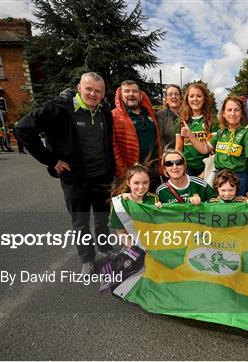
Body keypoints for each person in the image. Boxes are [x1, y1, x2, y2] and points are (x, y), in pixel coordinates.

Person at [15, 72, 117, 275]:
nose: (93, 94)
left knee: (102, 219)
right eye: (88, 89)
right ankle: (87, 259)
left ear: (103, 94)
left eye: (98, 91)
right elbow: (22, 128)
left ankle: (105, 249)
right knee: (80, 223)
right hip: (75, 180)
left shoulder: (104, 111)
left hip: (102, 177)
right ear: (79, 87)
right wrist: (51, 161)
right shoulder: (59, 109)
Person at [180, 96, 248, 198]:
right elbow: (204, 149)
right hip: (219, 178)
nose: (233, 113)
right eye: (229, 110)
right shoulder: (220, 133)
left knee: (237, 210)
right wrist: (190, 135)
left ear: (242, 114)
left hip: (239, 179)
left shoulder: (246, 133)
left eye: (237, 110)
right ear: (224, 114)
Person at [112, 80, 162, 182]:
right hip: (131, 174)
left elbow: (157, 140)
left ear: (140, 95)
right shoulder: (114, 116)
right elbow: (114, 146)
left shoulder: (149, 113)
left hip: (153, 170)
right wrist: (123, 172)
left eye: (134, 91)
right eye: (127, 91)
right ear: (121, 95)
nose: (131, 94)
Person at [109, 163, 162, 248]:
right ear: (128, 183)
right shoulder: (120, 204)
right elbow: (120, 231)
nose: (141, 187)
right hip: (132, 245)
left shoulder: (154, 199)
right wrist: (134, 249)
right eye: (136, 183)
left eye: (145, 182)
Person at [175, 83, 216, 176]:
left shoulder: (211, 120)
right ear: (187, 99)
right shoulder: (182, 120)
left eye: (199, 96)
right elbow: (178, 148)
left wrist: (207, 170)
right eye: (191, 96)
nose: (195, 99)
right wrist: (178, 165)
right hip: (187, 167)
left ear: (204, 99)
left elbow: (215, 148)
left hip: (206, 166)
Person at [155, 84, 182, 150]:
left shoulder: (188, 114)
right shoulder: (160, 115)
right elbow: (160, 139)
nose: (174, 96)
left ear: (181, 99)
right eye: (170, 94)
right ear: (166, 99)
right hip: (169, 155)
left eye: (176, 94)